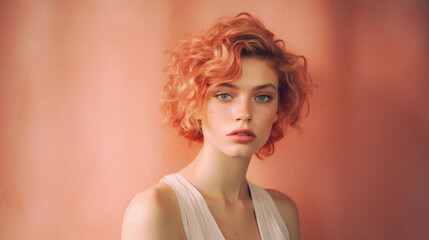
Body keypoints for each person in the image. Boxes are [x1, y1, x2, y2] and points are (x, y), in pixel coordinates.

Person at [122, 12, 312, 240]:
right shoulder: (154, 211)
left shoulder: (283, 213)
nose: (244, 114)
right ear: (195, 102)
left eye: (262, 97)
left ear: (277, 110)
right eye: (224, 95)